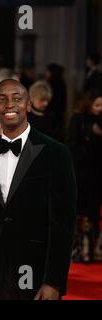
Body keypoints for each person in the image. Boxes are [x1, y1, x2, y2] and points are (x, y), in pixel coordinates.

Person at [0, 79, 77, 300]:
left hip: (35, 269)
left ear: (28, 105)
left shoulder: (56, 153)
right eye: (1, 100)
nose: (9, 105)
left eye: (17, 98)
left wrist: (53, 281)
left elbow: (64, 224)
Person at [67, 95, 102, 262]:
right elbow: (71, 144)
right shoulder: (78, 119)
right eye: (97, 104)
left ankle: (93, 251)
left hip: (96, 175)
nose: (100, 108)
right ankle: (78, 251)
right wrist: (90, 135)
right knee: (79, 214)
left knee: (93, 214)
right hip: (80, 174)